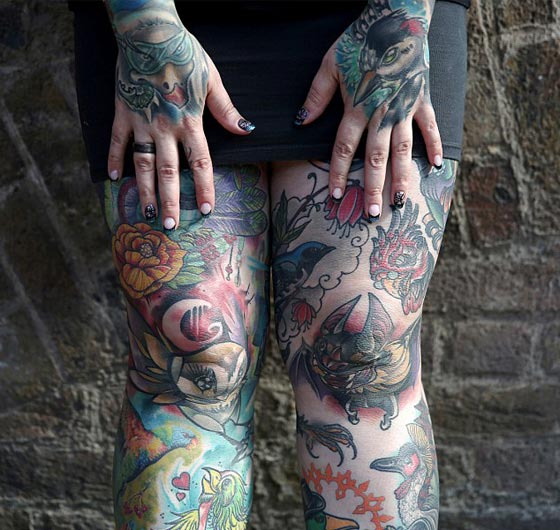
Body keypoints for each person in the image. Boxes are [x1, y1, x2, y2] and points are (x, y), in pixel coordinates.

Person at [68, 0, 470, 528]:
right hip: (161, 37)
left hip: (380, 28)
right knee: (190, 363)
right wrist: (147, 28)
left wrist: (401, 18)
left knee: (363, 361)